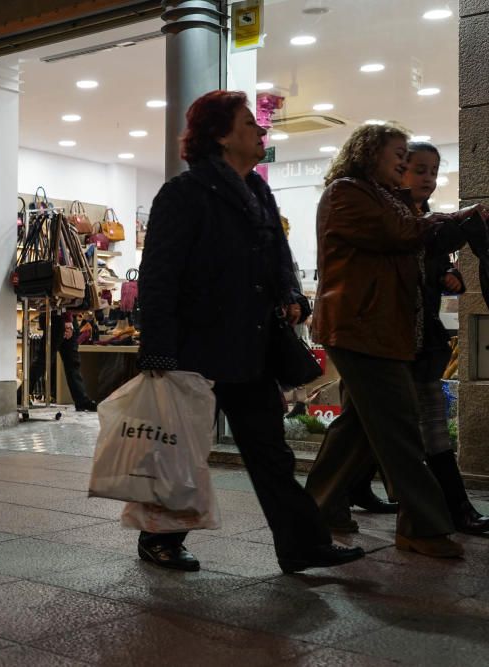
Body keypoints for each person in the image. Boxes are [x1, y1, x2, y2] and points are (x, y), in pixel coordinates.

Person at [135, 90, 363, 574]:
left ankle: (302, 545)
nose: (261, 132)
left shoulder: (257, 191)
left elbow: (278, 256)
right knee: (183, 450)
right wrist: (158, 353)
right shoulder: (183, 194)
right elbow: (158, 276)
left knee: (271, 453)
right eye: (248, 124)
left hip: (251, 346)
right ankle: (160, 538)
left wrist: (292, 295)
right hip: (195, 349)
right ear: (219, 135)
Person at [305, 124, 489, 558]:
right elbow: (400, 234)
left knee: (359, 428)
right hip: (361, 327)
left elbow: (414, 240)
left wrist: (458, 223)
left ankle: (317, 509)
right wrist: (452, 217)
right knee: (400, 425)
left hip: (379, 328)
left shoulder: (387, 198)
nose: (405, 164)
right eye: (399, 156)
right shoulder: (348, 192)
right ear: (370, 153)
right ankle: (422, 525)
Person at [26, 309, 97, 411]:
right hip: (59, 316)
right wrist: (67, 320)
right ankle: (21, 394)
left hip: (62, 316)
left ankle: (82, 400)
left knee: (70, 363)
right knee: (45, 361)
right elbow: (62, 296)